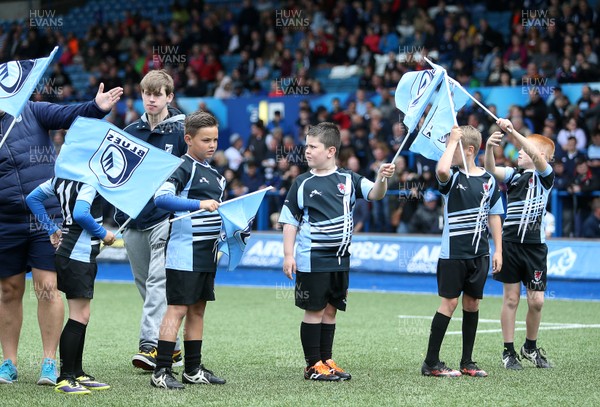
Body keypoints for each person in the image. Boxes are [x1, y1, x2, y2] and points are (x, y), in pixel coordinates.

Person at [0, 83, 123, 385]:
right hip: (5, 221)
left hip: (46, 217)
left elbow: (70, 114)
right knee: (8, 291)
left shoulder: (32, 110)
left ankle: (48, 362)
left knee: (47, 287)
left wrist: (96, 107)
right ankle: (8, 362)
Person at [278, 122, 395, 381]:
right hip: (312, 258)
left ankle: (326, 360)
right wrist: (289, 255)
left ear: (330, 151)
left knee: (331, 309)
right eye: (306, 146)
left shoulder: (349, 179)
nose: (306, 151)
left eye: (312, 146)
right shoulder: (302, 182)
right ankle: (312, 366)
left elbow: (375, 194)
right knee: (315, 310)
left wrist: (383, 178)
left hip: (341, 259)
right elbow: (290, 221)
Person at [114, 70, 187, 370]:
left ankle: (151, 345)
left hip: (166, 219)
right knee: (146, 285)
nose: (151, 99)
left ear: (169, 96)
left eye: (158, 94)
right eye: (147, 93)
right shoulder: (129, 131)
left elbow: (195, 170)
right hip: (133, 220)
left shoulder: (184, 130)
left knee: (158, 282)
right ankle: (173, 345)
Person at [150, 111, 226, 390]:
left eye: (215, 139)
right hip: (184, 252)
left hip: (208, 253)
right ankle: (161, 371)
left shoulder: (217, 176)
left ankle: (193, 369)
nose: (212, 145)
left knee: (197, 309)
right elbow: (161, 199)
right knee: (177, 309)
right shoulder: (181, 167)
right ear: (188, 139)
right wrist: (198, 204)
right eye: (206, 139)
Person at [421, 125, 503, 378]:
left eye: (453, 147)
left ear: (469, 150)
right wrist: (451, 142)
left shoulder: (489, 180)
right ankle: (431, 362)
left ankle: (468, 361)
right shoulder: (453, 176)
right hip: (453, 254)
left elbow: (495, 215)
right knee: (450, 303)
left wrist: (498, 249)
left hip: (480, 254)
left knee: (472, 303)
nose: (447, 151)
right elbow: (442, 169)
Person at [26, 177, 116, 394]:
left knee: (81, 314)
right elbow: (81, 214)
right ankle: (66, 377)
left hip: (70, 251)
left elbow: (32, 198)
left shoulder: (60, 178)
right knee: (80, 316)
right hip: (79, 254)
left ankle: (76, 372)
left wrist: (50, 228)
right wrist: (104, 233)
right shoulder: (89, 181)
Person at [485, 118, 555, 369]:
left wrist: (513, 131)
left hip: (535, 248)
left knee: (536, 301)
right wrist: (490, 148)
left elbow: (536, 155)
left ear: (542, 155)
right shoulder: (514, 176)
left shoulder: (546, 176)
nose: (519, 153)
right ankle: (508, 351)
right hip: (511, 245)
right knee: (511, 299)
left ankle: (530, 346)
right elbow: (491, 169)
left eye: (523, 151)